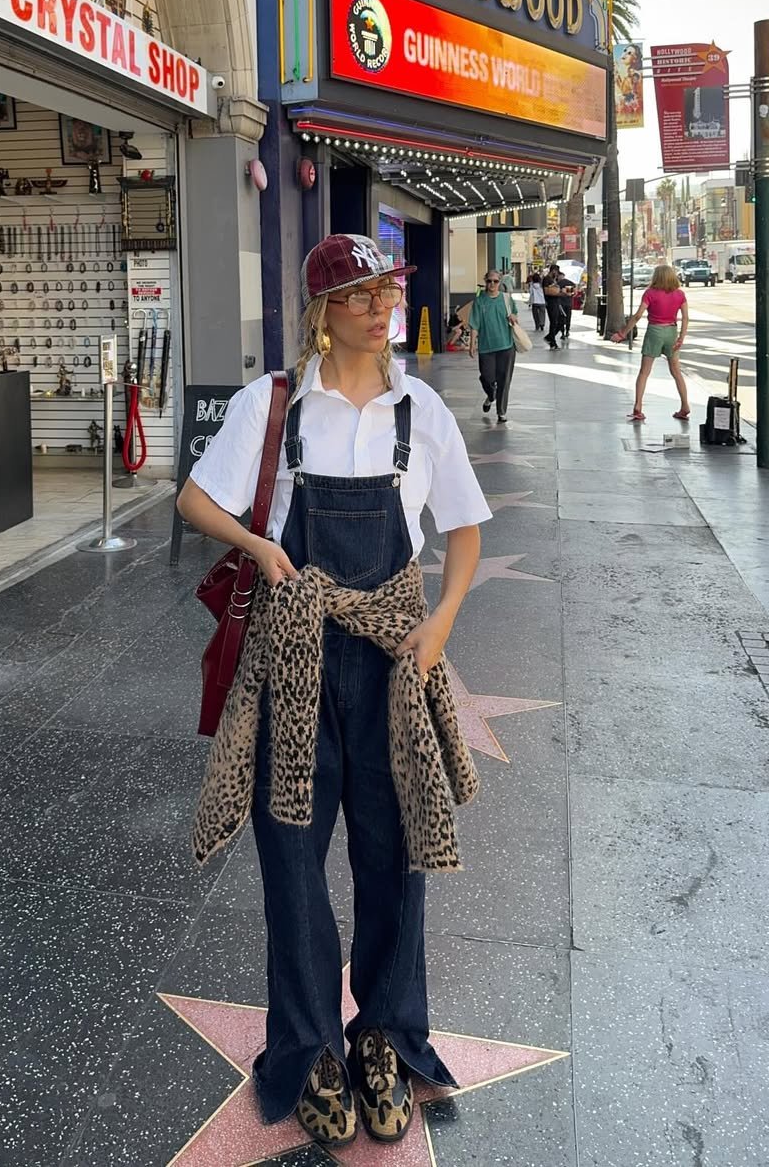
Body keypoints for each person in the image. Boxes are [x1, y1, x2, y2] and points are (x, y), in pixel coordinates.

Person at [177, 233, 489, 1150]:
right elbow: (198, 499)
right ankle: (309, 1047)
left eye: (387, 287)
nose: (382, 304)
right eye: (361, 293)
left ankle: (387, 1037)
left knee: (395, 860)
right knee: (292, 860)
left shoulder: (419, 409)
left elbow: (464, 529)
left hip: (395, 661)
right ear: (323, 313)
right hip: (296, 657)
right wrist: (265, 550)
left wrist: (441, 628)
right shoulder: (273, 405)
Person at [611, 261, 691, 422]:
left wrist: (623, 333)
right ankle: (685, 406)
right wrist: (681, 338)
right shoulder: (679, 294)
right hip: (671, 331)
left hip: (654, 331)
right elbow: (686, 318)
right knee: (676, 372)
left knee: (644, 372)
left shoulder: (650, 293)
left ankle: (638, 406)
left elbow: (638, 315)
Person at [468, 269, 519, 422]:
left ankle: (501, 412)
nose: (492, 284)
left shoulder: (506, 299)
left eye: (495, 281)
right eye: (489, 281)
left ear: (500, 282)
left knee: (504, 379)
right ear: (485, 282)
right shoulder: (479, 301)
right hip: (486, 347)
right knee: (486, 377)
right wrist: (472, 344)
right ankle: (491, 395)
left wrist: (513, 317)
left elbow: (515, 315)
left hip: (506, 345)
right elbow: (474, 324)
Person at [543, 265, 564, 349]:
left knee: (561, 320)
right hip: (551, 303)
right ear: (553, 271)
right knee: (554, 322)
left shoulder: (553, 280)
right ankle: (552, 340)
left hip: (556, 302)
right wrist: (560, 293)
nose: (557, 274)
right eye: (556, 272)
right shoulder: (547, 279)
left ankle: (550, 337)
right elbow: (547, 291)